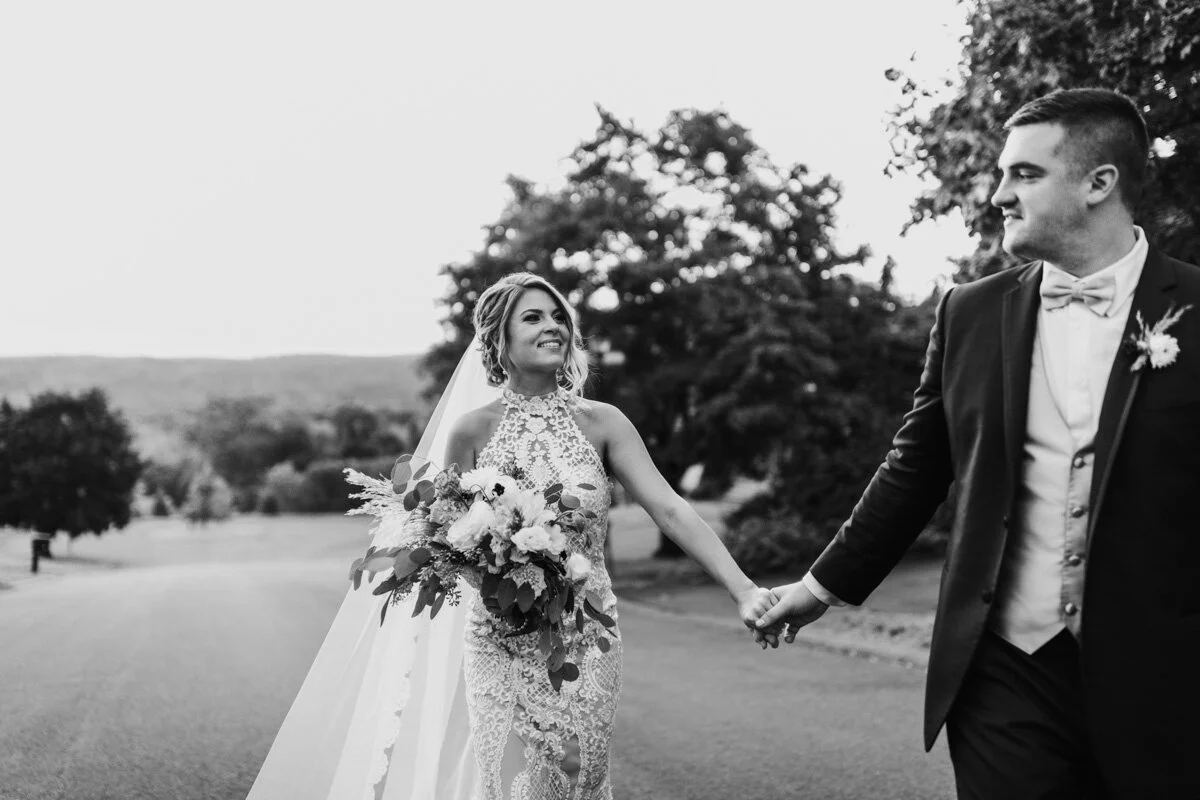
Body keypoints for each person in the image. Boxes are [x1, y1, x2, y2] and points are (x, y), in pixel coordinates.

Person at [757, 87, 1200, 798]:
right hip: (1006, 670)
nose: (999, 195)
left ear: (1099, 183)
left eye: (1025, 174)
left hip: (1167, 678)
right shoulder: (969, 312)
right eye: (1001, 174)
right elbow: (914, 467)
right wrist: (820, 588)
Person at [247, 272, 776, 800]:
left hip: (586, 634)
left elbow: (670, 509)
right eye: (534, 317)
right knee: (509, 784)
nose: (554, 327)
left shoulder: (604, 423)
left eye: (559, 317)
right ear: (499, 339)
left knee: (580, 776)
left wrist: (744, 589)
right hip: (499, 638)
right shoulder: (471, 430)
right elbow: (449, 538)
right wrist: (494, 565)